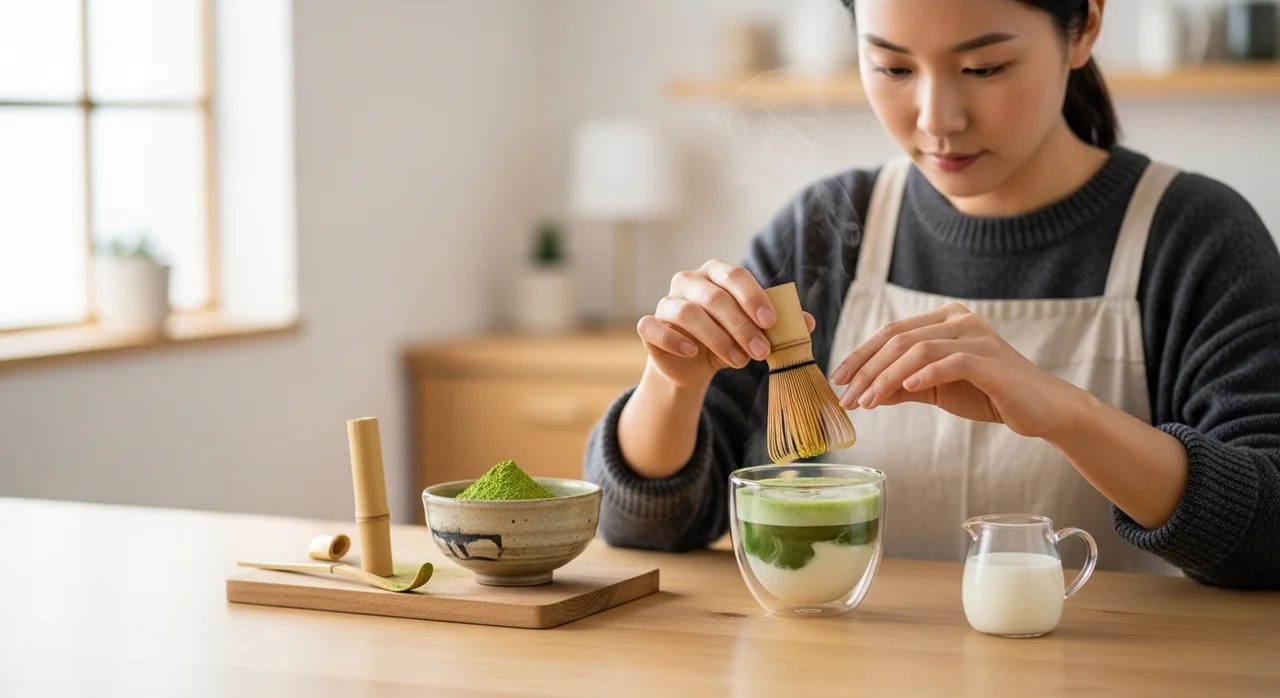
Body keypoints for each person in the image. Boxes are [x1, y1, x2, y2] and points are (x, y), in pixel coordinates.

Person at [583, 0, 1280, 589]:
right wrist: (671, 382)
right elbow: (646, 527)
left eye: (984, 68)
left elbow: (1268, 534)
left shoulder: (1195, 237)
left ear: (1085, 26)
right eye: (891, 67)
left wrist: (1066, 413)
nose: (937, 117)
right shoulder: (824, 232)